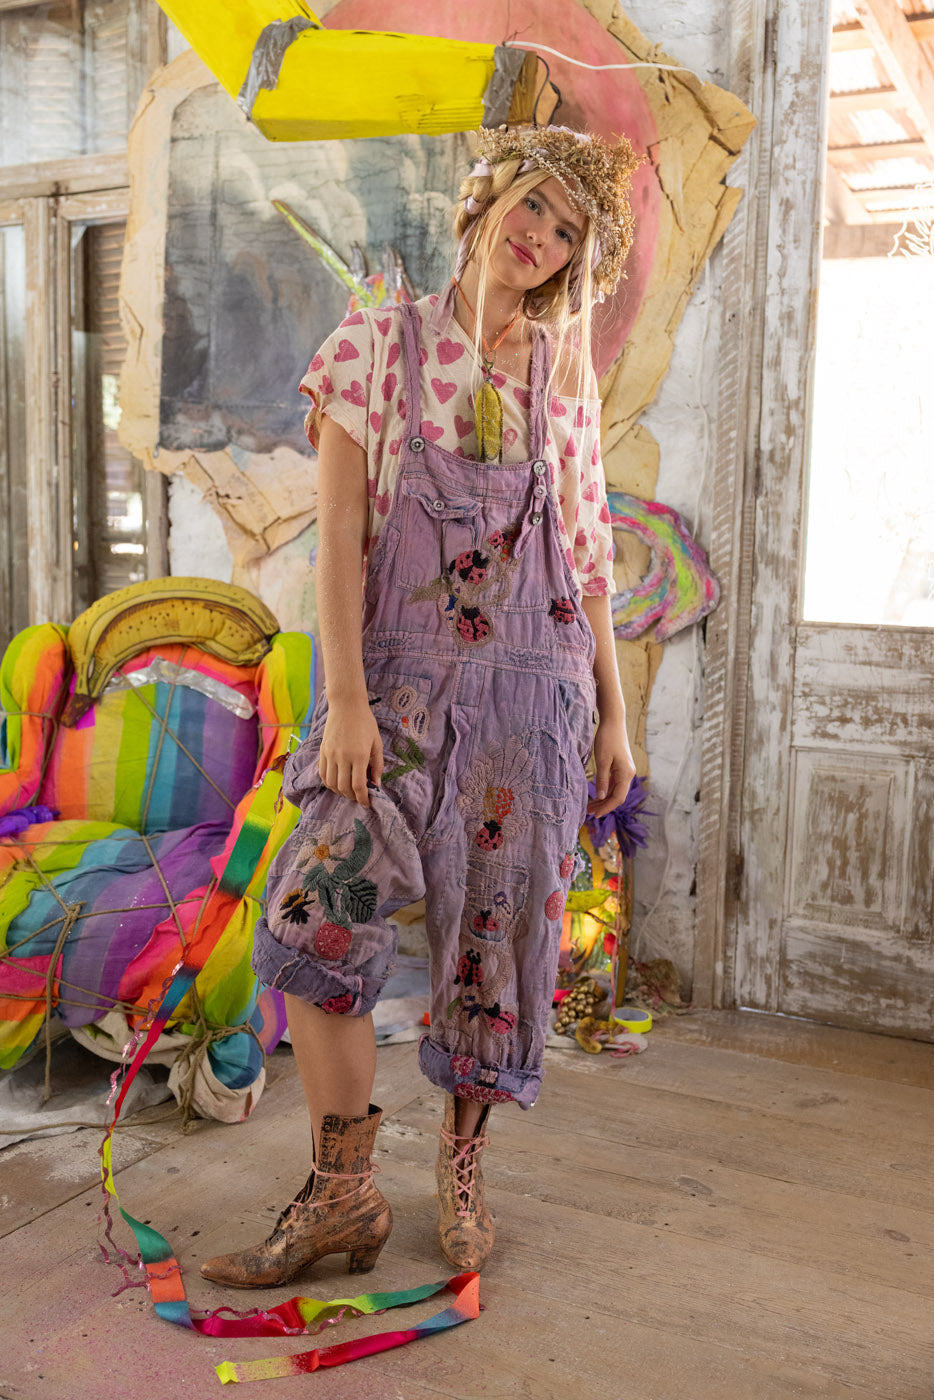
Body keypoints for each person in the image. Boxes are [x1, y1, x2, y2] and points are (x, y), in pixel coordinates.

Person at [201, 124, 641, 1289]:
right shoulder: (378, 345)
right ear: (487, 200)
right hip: (392, 694)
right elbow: (340, 538)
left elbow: (587, 554)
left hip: (530, 703)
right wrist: (344, 699)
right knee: (314, 910)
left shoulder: (560, 377)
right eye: (530, 204)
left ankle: (461, 1163)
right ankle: (342, 1189)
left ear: (572, 260)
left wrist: (614, 712)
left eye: (564, 230)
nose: (537, 234)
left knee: (493, 948)